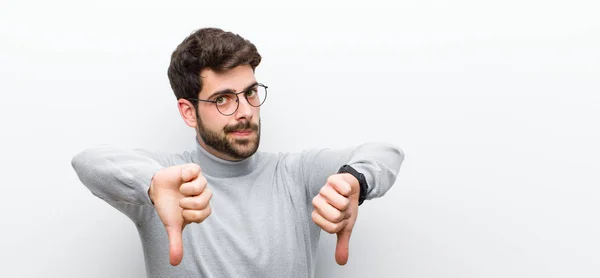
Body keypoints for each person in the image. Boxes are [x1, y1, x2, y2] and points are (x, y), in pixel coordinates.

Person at [71, 27, 405, 278]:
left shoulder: (298, 174)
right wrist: (152, 184)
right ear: (189, 112)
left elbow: (386, 152)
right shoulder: (170, 183)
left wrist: (357, 180)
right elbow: (89, 162)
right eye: (223, 99)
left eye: (250, 93)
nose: (245, 110)